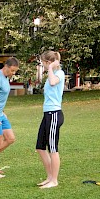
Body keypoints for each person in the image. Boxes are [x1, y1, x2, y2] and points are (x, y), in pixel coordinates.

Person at [35, 51, 65, 188]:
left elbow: (53, 83)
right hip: (47, 114)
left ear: (49, 62)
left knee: (53, 148)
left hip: (54, 114)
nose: (44, 66)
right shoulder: (51, 74)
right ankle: (49, 177)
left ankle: (54, 180)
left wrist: (52, 68)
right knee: (40, 147)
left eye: (44, 63)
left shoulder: (59, 74)